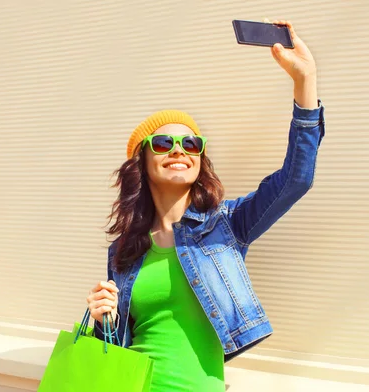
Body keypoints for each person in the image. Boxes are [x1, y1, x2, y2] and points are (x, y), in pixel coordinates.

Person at [86, 20, 325, 391]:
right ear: (142, 162)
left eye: (192, 144)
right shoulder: (125, 250)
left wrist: (304, 81)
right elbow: (116, 351)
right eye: (164, 144)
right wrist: (105, 320)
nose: (179, 151)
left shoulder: (226, 227)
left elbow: (296, 179)